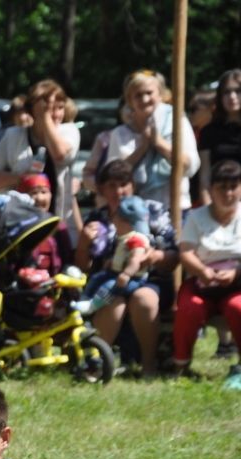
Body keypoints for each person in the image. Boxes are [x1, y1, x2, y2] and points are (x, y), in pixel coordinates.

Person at [74, 160, 179, 377]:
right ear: (102, 189)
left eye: (123, 184)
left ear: (132, 185)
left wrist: (155, 256)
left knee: (144, 299)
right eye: (111, 185)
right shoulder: (97, 219)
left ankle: (149, 365)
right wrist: (84, 243)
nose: (118, 191)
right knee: (114, 300)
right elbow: (82, 267)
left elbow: (174, 255)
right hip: (110, 282)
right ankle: (97, 364)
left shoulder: (152, 211)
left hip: (149, 279)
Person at [172, 160, 241, 389]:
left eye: (234, 186)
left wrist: (235, 272)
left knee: (238, 307)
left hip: (237, 283)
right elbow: (186, 252)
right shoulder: (196, 216)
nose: (228, 193)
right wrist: (203, 271)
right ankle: (181, 366)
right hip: (202, 281)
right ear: (211, 190)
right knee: (189, 306)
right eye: (222, 187)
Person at [0, 79, 80, 232]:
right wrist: (21, 179)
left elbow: (60, 155)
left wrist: (45, 117)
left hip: (60, 224)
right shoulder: (13, 135)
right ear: (32, 110)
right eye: (47, 108)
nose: (55, 114)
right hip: (20, 227)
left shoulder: (69, 131)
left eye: (60, 108)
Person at [101, 70, 199, 211]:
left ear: (160, 95)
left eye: (149, 93)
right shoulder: (120, 134)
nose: (145, 99)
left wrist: (159, 143)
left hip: (175, 207)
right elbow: (111, 177)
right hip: (134, 210)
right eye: (138, 95)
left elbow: (190, 166)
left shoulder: (177, 123)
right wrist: (142, 148)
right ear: (130, 100)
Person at [76, 195, 152, 315]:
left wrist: (127, 274)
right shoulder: (124, 237)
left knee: (109, 286)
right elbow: (122, 254)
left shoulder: (136, 239)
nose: (114, 223)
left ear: (126, 222)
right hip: (116, 272)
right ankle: (85, 298)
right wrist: (112, 261)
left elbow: (135, 260)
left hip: (132, 278)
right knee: (97, 278)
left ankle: (93, 306)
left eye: (117, 220)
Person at [198, 69, 241, 206]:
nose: (232, 97)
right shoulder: (208, 132)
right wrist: (207, 208)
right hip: (219, 203)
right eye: (226, 92)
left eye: (238, 91)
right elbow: (205, 175)